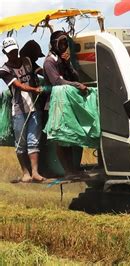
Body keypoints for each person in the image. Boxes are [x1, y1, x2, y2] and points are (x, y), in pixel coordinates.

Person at [0, 37, 46, 183]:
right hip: (19, 109)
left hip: (34, 107)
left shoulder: (27, 61)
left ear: (18, 49)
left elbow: (39, 70)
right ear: (4, 53)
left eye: (14, 51)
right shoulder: (4, 70)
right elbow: (19, 86)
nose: (13, 54)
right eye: (10, 52)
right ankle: (25, 172)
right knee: (21, 143)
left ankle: (35, 172)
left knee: (34, 141)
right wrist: (34, 89)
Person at [43, 30, 88, 176]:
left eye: (65, 43)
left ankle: (71, 169)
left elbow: (76, 75)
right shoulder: (49, 61)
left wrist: (68, 64)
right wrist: (76, 85)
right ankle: (68, 171)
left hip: (65, 102)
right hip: (55, 104)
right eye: (61, 43)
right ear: (54, 44)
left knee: (67, 137)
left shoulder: (62, 60)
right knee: (60, 138)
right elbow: (57, 81)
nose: (63, 46)